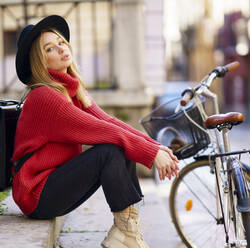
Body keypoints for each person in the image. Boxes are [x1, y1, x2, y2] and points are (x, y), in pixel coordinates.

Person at [12, 15, 179, 248]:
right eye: (50, 48)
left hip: (54, 183)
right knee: (109, 151)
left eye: (60, 42)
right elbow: (102, 130)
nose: (60, 49)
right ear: (41, 62)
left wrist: (154, 147)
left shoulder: (70, 90)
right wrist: (150, 154)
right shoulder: (45, 97)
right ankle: (125, 232)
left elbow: (109, 121)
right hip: (36, 193)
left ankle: (128, 230)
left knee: (118, 147)